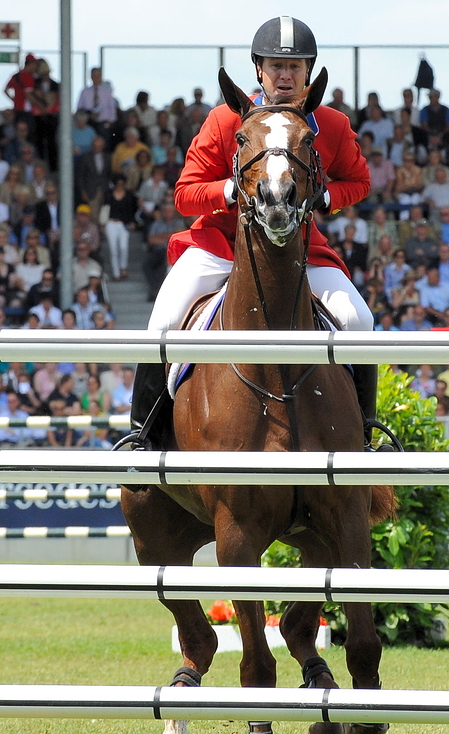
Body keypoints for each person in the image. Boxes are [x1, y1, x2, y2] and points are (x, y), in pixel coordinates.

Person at [128, 16, 379, 453]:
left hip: (296, 250)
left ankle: (366, 437)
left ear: (309, 72)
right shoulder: (226, 119)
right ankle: (142, 436)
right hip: (220, 247)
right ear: (259, 70)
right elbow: (185, 194)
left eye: (295, 67)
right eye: (275, 66)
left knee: (360, 321)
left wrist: (325, 197)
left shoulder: (332, 125)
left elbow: (360, 181)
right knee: (164, 322)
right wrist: (227, 189)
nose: (285, 75)